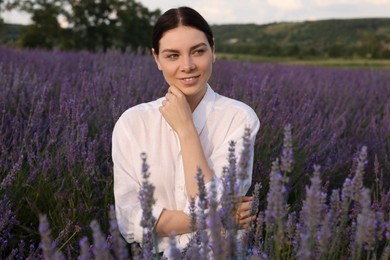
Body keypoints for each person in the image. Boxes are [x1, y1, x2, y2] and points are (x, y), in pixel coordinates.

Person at [112, 6, 260, 254]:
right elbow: (130, 220)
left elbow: (209, 204)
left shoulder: (239, 119)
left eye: (198, 51)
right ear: (156, 59)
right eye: (172, 55)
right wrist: (221, 216)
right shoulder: (132, 123)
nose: (187, 65)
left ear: (213, 51)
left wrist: (186, 130)